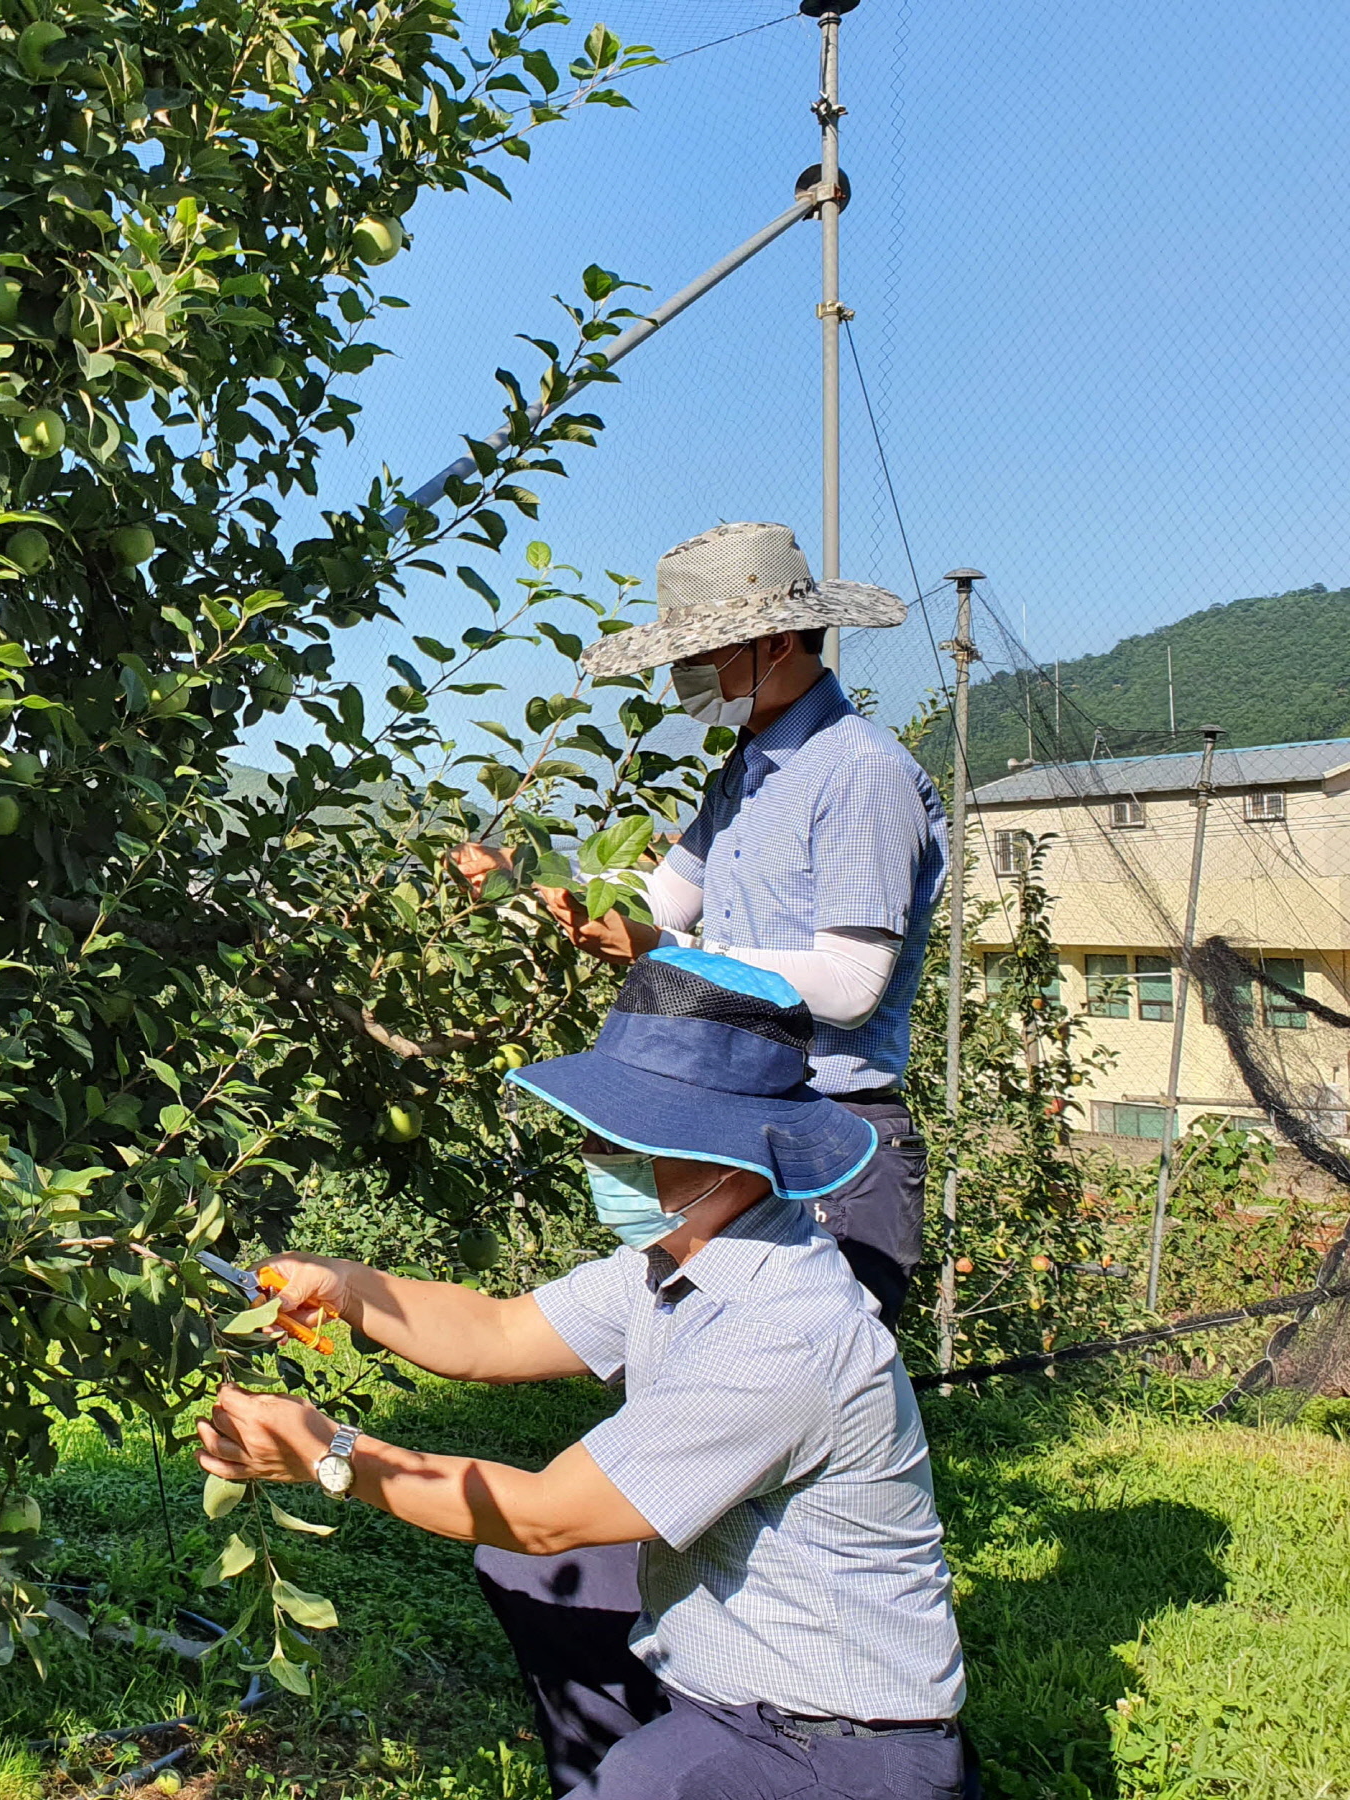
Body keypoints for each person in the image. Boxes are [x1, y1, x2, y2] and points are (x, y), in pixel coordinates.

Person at [198, 950, 968, 1797]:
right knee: (528, 1578)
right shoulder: (682, 1256)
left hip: (832, 1744)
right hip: (730, 1689)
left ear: (730, 1150)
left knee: (551, 1583)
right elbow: (495, 1332)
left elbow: (542, 1517)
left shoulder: (778, 1334)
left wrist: (326, 1451)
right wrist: (344, 1285)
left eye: (631, 1132)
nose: (600, 1150)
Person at [454, 521, 946, 1322]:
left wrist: (669, 952)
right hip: (742, 1123)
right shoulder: (749, 773)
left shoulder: (858, 773)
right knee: (710, 1372)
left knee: (808, 1395)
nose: (684, 675)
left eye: (699, 654)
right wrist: (528, 881)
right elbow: (656, 902)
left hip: (832, 1133)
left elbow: (853, 985)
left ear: (778, 641)